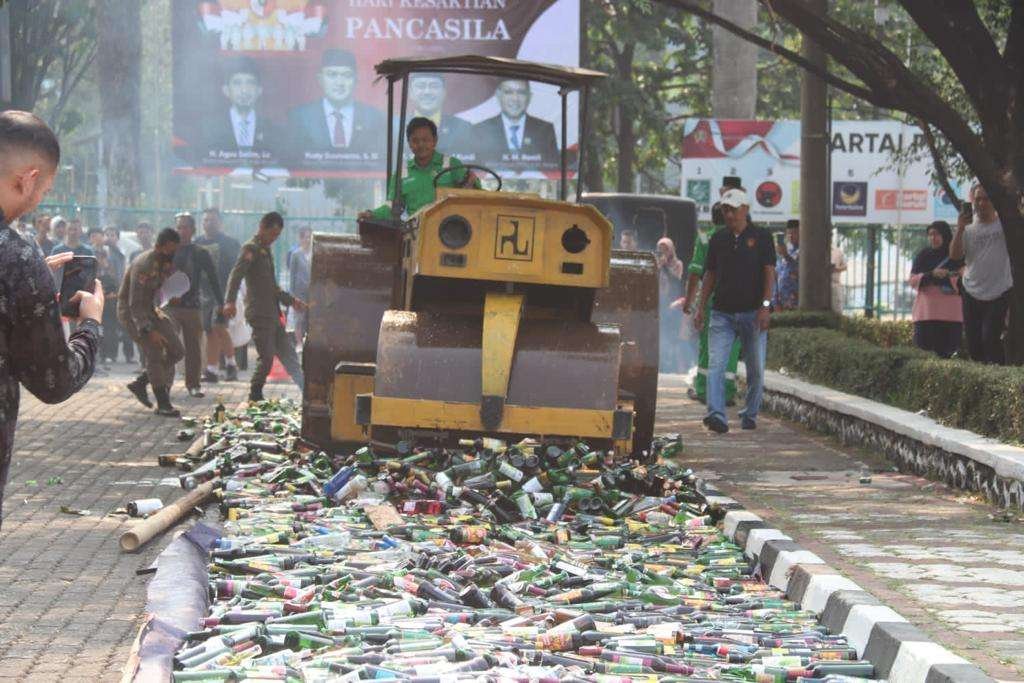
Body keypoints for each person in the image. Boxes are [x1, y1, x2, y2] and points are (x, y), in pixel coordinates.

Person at [0, 110, 103, 527]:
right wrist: (90, 326)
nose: (39, 199)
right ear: (27, 178)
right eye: (43, 188)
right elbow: (54, 381)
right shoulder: (16, 258)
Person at [693, 189, 775, 434]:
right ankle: (716, 414)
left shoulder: (762, 237)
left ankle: (750, 413)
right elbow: (710, 275)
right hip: (722, 314)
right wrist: (700, 307)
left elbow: (769, 273)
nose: (728, 214)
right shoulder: (718, 239)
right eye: (725, 209)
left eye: (733, 209)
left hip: (753, 314)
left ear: (745, 209)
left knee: (755, 369)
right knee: (716, 365)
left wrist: (766, 306)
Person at [223, 211, 305, 401]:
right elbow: (236, 275)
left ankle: (305, 391)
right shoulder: (250, 248)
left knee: (289, 355)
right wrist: (229, 301)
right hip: (259, 313)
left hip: (272, 313)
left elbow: (271, 285)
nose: (274, 239)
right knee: (267, 357)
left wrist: (291, 301)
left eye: (277, 235)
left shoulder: (265, 250)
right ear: (262, 227)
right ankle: (255, 393)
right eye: (272, 234)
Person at [118, 227, 185, 416]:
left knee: (177, 350)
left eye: (175, 249)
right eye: (170, 249)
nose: (173, 253)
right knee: (154, 353)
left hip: (151, 309)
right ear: (159, 246)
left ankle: (141, 382)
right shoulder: (144, 265)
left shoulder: (163, 262)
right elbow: (134, 303)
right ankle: (163, 404)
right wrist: (149, 330)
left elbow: (158, 289)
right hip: (133, 313)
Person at [360, 117, 476, 221]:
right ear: (409, 143)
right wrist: (372, 214)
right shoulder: (402, 173)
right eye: (415, 141)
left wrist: (470, 185)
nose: (421, 145)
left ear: (435, 140)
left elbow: (477, 193)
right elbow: (391, 208)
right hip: (416, 235)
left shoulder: (452, 165)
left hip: (451, 233)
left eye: (425, 140)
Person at [684, 201, 741, 407]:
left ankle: (703, 389)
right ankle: (726, 393)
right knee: (732, 347)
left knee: (708, 345)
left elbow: (696, 271)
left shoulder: (705, 238)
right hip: (739, 301)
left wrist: (690, 301)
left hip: (712, 301)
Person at [950, 183, 1013, 364]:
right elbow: (954, 255)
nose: (982, 203)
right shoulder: (967, 228)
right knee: (973, 343)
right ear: (973, 201)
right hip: (971, 290)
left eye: (986, 199)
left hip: (999, 290)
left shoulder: (1005, 225)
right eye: (978, 199)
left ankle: (999, 379)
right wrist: (960, 228)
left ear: (993, 201)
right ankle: (980, 381)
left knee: (990, 338)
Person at [287, 49, 385, 157]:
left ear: (356, 80)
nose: (339, 83)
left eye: (347, 75)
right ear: (320, 79)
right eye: (332, 75)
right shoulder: (301, 117)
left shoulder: (373, 117)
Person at [169, 213, 224, 398]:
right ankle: (164, 385)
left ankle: (193, 384)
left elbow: (214, 279)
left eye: (185, 227)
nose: (181, 231)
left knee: (194, 348)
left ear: (192, 230)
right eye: (179, 227)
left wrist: (221, 303)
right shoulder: (169, 251)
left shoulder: (200, 253)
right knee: (168, 345)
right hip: (170, 307)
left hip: (192, 306)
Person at [202, 56, 283, 160]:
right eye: (237, 83)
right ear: (226, 90)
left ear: (259, 91)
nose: (244, 90)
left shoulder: (273, 131)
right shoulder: (208, 128)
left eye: (250, 83)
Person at [195, 207, 241, 381]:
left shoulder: (230, 243)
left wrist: (233, 296)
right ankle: (212, 370)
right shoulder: (197, 243)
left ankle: (231, 365)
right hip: (203, 293)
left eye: (212, 220)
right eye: (206, 220)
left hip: (223, 292)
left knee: (219, 326)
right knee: (209, 331)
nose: (209, 223)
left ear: (220, 223)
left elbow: (236, 270)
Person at [473, 79, 559, 167]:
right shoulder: (480, 129)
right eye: (508, 92)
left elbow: (552, 167)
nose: (515, 98)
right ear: (498, 96)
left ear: (529, 96)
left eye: (521, 92)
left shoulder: (545, 129)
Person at [909, 220, 963, 358]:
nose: (933, 238)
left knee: (948, 356)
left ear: (945, 235)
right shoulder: (923, 255)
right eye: (930, 234)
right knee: (924, 357)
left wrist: (947, 276)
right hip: (926, 315)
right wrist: (931, 275)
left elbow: (964, 280)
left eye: (937, 234)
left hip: (951, 316)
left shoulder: (956, 256)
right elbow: (913, 280)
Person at [407, 73, 473, 160]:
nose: (427, 92)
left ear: (444, 93)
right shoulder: (396, 129)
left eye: (434, 86)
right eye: (420, 86)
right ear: (410, 93)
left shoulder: (463, 128)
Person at [656, 238, 685, 372]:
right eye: (660, 248)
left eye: (666, 248)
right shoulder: (655, 263)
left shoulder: (677, 264)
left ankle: (673, 366)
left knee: (672, 335)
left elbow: (676, 279)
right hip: (658, 301)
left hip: (672, 301)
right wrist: (658, 265)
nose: (663, 251)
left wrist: (665, 266)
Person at [287, 226, 313, 349]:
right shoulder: (296, 255)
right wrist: (292, 294)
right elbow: (292, 275)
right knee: (299, 318)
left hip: (312, 292)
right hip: (299, 292)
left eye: (310, 237)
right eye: (306, 237)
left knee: (310, 317)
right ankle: (299, 343)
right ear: (301, 238)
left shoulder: (314, 253)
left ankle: (308, 340)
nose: (308, 240)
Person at [774, 219, 799, 310]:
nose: (791, 236)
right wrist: (775, 300)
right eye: (788, 233)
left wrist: (786, 255)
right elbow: (776, 275)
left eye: (794, 233)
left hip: (797, 302)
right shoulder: (783, 250)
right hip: (781, 302)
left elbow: (799, 267)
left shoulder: (805, 250)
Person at [831, 239, 847, 314]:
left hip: (835, 284)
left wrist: (836, 269)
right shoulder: (816, 251)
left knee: (837, 310)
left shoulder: (838, 251)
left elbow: (845, 266)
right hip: (820, 285)